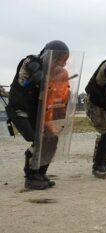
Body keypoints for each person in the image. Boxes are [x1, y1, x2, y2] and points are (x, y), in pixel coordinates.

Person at [6, 40, 70, 190]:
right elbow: (41, 80)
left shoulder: (55, 71)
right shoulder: (31, 61)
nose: (59, 63)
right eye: (57, 58)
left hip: (37, 111)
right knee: (37, 139)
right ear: (48, 55)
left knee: (51, 139)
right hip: (20, 109)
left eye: (62, 60)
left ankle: (41, 172)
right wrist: (55, 80)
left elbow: (58, 93)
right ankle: (30, 177)